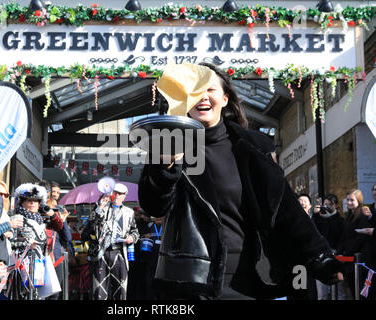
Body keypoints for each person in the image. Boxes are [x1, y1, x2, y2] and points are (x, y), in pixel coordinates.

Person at [138, 62, 342, 300]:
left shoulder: (253, 148)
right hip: (190, 281)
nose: (202, 97)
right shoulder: (169, 143)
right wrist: (166, 165)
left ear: (225, 99)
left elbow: (286, 209)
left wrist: (320, 257)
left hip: (249, 280)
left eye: (210, 89)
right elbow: (153, 206)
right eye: (194, 90)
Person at [84, 184, 139, 300]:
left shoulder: (129, 212)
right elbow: (88, 229)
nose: (116, 196)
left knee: (120, 290)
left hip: (120, 253)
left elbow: (135, 231)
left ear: (124, 196)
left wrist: (132, 238)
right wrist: (99, 209)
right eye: (115, 192)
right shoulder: (100, 208)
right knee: (99, 291)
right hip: (101, 253)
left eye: (120, 194)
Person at [337, 189, 373, 299]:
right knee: (353, 290)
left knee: (360, 290)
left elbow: (359, 238)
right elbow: (344, 236)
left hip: (358, 259)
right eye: (347, 200)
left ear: (359, 201)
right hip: (349, 260)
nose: (348, 203)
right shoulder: (348, 216)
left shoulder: (362, 215)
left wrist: (347, 252)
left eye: (352, 200)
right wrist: (340, 252)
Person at [312, 194, 345, 300]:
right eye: (325, 205)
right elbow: (313, 230)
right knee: (322, 292)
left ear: (335, 205)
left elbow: (338, 235)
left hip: (336, 255)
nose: (327, 207)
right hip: (321, 256)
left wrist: (330, 216)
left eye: (330, 205)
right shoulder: (320, 218)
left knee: (338, 290)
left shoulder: (339, 220)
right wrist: (316, 214)